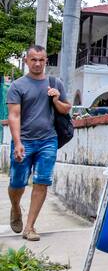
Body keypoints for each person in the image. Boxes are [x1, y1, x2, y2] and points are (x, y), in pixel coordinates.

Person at [6, 45, 71, 241]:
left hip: (48, 141)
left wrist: (56, 99)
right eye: (33, 59)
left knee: (42, 182)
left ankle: (30, 227)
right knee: (17, 182)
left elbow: (66, 109)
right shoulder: (17, 86)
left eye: (41, 60)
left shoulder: (54, 83)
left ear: (45, 61)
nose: (37, 63)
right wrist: (17, 142)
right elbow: (14, 115)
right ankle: (16, 207)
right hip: (24, 141)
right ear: (26, 61)